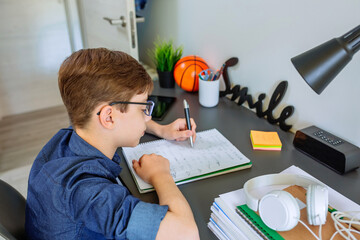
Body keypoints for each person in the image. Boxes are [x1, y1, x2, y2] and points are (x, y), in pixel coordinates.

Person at [25, 48, 200, 240]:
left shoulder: (71, 135)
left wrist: (161, 130)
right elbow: (186, 234)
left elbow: (116, 116)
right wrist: (161, 175)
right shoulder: (90, 193)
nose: (147, 116)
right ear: (108, 117)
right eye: (143, 108)